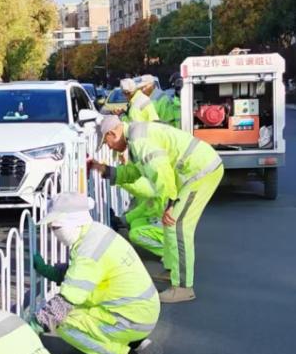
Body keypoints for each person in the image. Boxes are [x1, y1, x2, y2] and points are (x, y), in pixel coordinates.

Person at [89, 115, 223, 303]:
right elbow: (136, 173)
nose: (109, 147)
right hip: (196, 170)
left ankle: (183, 288)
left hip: (199, 171)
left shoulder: (139, 141)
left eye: (107, 142)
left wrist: (171, 204)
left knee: (177, 226)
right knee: (171, 226)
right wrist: (104, 170)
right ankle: (173, 272)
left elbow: (162, 172)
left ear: (113, 133)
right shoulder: (135, 137)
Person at [31, 193, 160, 354]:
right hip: (141, 310)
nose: (53, 232)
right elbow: (82, 277)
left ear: (73, 222)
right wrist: (49, 271)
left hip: (130, 318)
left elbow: (65, 302)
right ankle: (130, 340)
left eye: (56, 227)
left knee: (62, 321)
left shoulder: (88, 252)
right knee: (75, 311)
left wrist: (33, 325)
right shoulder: (97, 232)